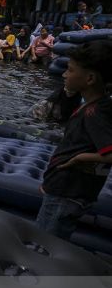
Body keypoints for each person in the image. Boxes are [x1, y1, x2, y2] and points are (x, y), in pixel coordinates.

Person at [36, 40, 112, 239]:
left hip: (67, 193)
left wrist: (80, 158)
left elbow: (109, 153)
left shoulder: (95, 113)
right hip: (64, 189)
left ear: (89, 79)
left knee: (45, 244)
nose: (64, 74)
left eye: (70, 70)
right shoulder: (97, 106)